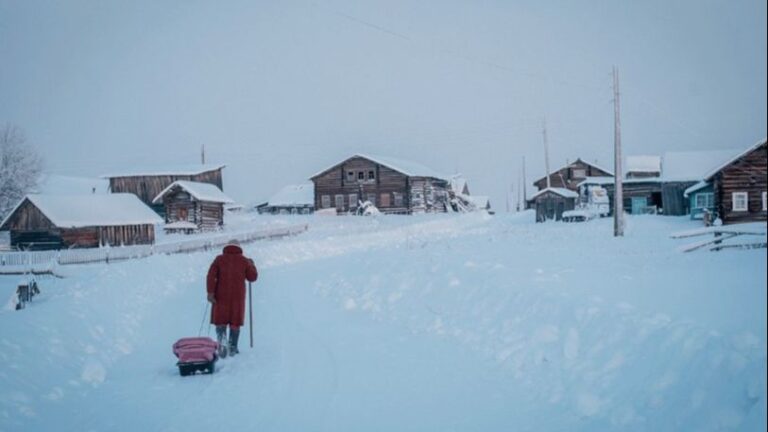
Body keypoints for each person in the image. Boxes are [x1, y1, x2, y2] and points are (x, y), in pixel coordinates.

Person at [206, 240, 258, 358]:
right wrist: (252, 265)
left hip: (220, 297)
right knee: (235, 322)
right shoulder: (244, 261)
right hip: (237, 298)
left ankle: (222, 345)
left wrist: (210, 292)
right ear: (239, 248)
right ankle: (233, 347)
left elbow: (211, 276)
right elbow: (252, 277)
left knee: (221, 321)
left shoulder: (219, 259)